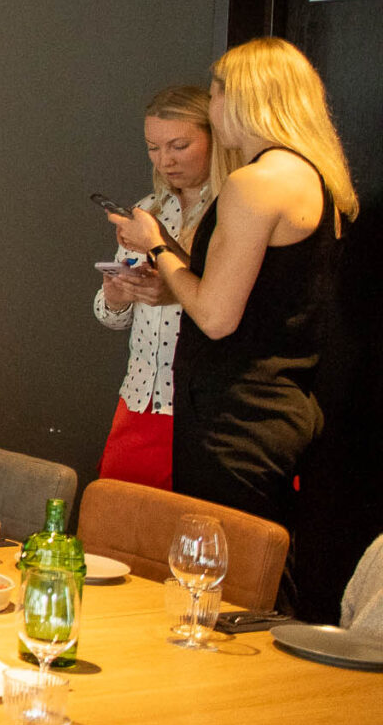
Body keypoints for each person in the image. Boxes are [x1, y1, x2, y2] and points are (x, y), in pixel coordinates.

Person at [112, 38, 357, 527]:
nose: (213, 107)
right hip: (282, 409)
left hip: (235, 419)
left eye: (215, 94)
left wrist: (156, 245)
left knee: (218, 564)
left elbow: (216, 317)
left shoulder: (255, 182)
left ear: (242, 98)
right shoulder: (314, 179)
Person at [91, 86, 216, 489]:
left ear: (215, 137)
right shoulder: (149, 208)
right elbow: (111, 317)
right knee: (116, 515)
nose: (166, 160)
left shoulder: (230, 210)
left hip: (201, 407)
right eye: (153, 148)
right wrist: (116, 296)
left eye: (179, 145)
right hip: (138, 397)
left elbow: (227, 306)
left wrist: (172, 286)